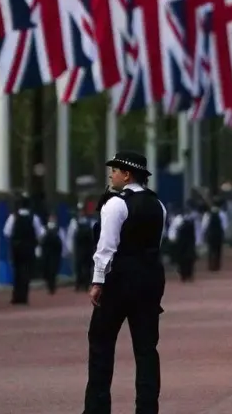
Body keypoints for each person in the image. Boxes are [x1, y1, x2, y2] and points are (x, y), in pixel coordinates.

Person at [84, 151, 166, 414]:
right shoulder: (158, 205)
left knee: (101, 344)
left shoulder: (116, 204)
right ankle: (147, 408)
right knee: (146, 350)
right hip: (150, 279)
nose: (111, 175)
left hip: (119, 280)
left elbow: (106, 247)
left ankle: (97, 408)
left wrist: (98, 281)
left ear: (127, 174)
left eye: (115, 170)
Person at [3, 197, 43, 305]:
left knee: (17, 271)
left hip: (16, 248)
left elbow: (7, 232)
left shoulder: (13, 217)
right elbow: (40, 233)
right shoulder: (33, 217)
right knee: (26, 272)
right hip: (29, 248)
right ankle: (24, 296)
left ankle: (16, 296)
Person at [68, 201, 97, 292]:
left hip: (87, 248)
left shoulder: (91, 221)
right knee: (79, 267)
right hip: (79, 248)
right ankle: (79, 283)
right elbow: (70, 236)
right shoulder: (74, 222)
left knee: (87, 267)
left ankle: (85, 284)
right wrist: (70, 248)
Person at [166, 206, 198, 283]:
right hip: (188, 244)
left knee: (183, 260)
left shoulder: (178, 221)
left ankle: (184, 275)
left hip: (181, 243)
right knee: (189, 260)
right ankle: (188, 275)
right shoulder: (189, 222)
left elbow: (173, 231)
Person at [38, 213, 63, 295]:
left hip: (55, 253)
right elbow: (40, 239)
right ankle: (50, 284)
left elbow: (63, 240)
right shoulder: (44, 229)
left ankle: (52, 286)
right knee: (47, 270)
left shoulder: (59, 229)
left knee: (53, 269)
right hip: (46, 252)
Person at [202, 202, 228, 272]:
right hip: (219, 234)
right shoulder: (222, 214)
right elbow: (225, 226)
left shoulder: (207, 214)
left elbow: (204, 226)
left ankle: (210, 265)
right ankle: (217, 265)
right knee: (218, 250)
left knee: (211, 250)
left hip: (210, 234)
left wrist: (204, 235)